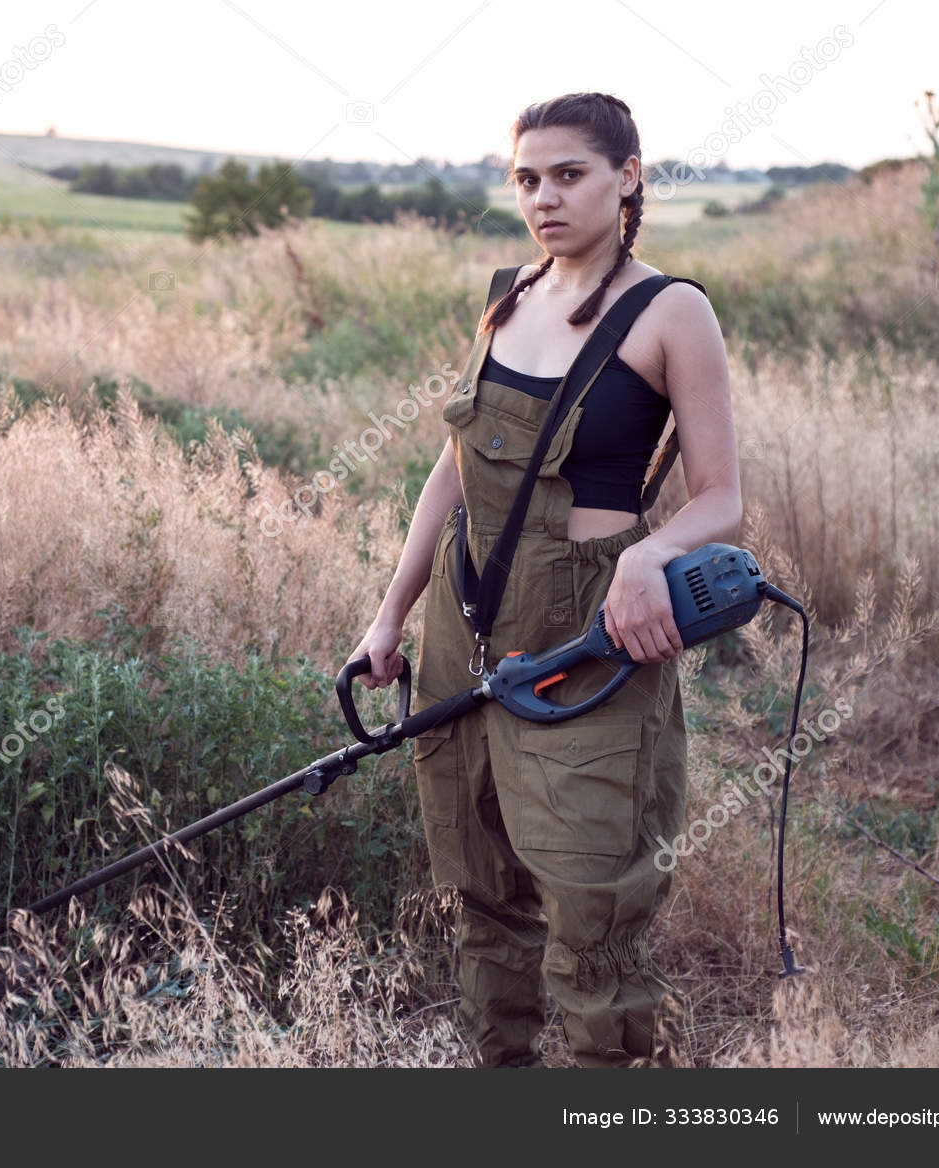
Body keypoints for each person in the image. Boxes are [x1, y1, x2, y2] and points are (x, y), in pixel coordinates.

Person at [347, 92, 741, 1067]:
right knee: (479, 883)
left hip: (587, 621)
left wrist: (650, 553)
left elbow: (719, 497)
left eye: (568, 174)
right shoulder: (510, 295)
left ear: (627, 177)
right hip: (464, 607)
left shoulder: (669, 311)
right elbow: (457, 464)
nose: (544, 198)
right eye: (527, 178)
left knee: (589, 897)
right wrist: (390, 613)